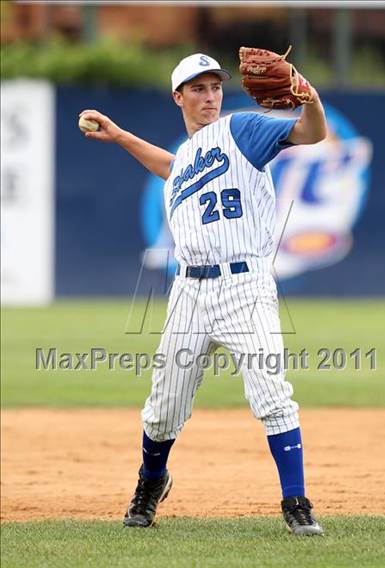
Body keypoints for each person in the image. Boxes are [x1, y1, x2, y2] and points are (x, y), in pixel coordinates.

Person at [80, 51, 327, 536]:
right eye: (198, 88)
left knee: (273, 396)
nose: (210, 94)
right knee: (162, 409)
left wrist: (311, 98)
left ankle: (297, 503)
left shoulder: (242, 129)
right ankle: (151, 483)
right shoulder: (189, 157)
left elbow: (311, 133)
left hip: (244, 287)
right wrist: (121, 136)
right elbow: (173, 168)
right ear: (179, 97)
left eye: (215, 86)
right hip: (189, 293)